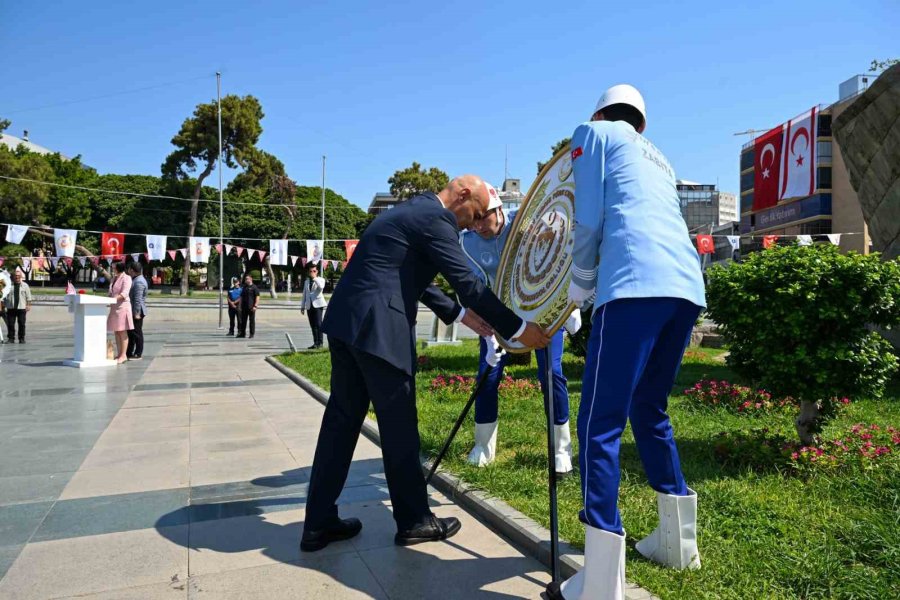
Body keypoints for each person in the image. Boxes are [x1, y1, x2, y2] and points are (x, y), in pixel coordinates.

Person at [300, 175, 550, 553]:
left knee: (341, 423)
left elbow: (407, 273)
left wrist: (459, 315)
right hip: (379, 329)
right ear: (463, 195)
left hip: (347, 323)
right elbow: (469, 284)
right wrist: (517, 328)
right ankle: (415, 520)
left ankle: (318, 522)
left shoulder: (412, 210)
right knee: (399, 426)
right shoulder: (438, 220)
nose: (473, 224)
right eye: (476, 213)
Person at [546, 85, 707, 600]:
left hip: (633, 284)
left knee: (598, 421)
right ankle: (678, 543)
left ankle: (599, 581)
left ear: (598, 111)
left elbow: (588, 215)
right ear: (642, 122)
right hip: (685, 287)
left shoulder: (592, 133)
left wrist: (580, 281)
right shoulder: (657, 156)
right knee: (650, 408)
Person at [460, 182, 581, 476]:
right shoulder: (467, 243)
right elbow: (474, 289)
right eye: (472, 220)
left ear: (497, 208)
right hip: (498, 315)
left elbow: (558, 246)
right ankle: (483, 447)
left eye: (482, 218)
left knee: (551, 374)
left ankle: (560, 450)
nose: (478, 227)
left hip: (541, 311)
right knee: (487, 376)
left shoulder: (525, 219)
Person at [106, 261, 134, 364]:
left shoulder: (127, 278)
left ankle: (123, 355)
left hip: (123, 307)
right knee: (116, 331)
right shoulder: (114, 279)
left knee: (122, 331)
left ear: (120, 268)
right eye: (112, 267)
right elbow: (111, 292)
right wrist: (107, 299)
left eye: (114, 268)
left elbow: (124, 294)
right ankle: (119, 354)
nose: (113, 269)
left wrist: (112, 300)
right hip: (114, 308)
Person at [301, 264, 327, 349]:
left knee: (318, 324)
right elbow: (304, 294)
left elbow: (321, 287)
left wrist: (314, 278)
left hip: (318, 305)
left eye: (314, 271)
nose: (312, 272)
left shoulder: (321, 279)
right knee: (312, 325)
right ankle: (315, 343)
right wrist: (302, 306)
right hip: (309, 305)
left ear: (317, 272)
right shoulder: (306, 281)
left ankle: (320, 343)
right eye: (310, 271)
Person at [5, 268, 33, 344]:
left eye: (18, 275)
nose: (17, 277)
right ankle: (11, 338)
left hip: (21, 308)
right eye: (15, 275)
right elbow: (5, 296)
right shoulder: (9, 285)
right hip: (11, 307)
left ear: (21, 276)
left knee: (21, 324)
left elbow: (29, 297)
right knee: (10, 324)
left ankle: (21, 338)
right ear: (13, 277)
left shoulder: (25, 285)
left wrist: (28, 305)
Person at [126, 262, 148, 360]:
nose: (128, 271)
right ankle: (129, 352)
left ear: (132, 270)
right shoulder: (136, 279)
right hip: (134, 310)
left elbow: (138, 299)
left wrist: (137, 313)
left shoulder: (139, 281)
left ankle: (138, 353)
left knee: (137, 333)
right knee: (131, 333)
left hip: (137, 311)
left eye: (129, 269)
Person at [237, 274, 260, 339]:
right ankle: (242, 333)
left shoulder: (254, 287)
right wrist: (239, 305)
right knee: (243, 321)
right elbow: (241, 297)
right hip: (244, 307)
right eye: (245, 279)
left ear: (250, 279)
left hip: (251, 307)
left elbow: (257, 297)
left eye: (247, 279)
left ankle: (251, 334)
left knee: (251, 321)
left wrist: (255, 306)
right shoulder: (244, 287)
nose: (245, 280)